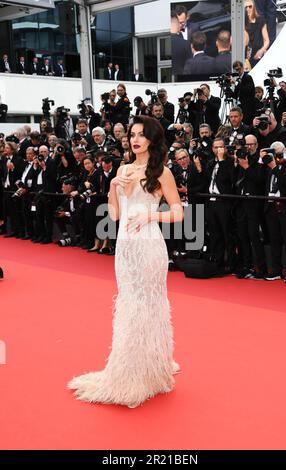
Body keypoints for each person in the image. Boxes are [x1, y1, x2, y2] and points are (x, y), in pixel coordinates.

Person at [68, 116, 184, 407]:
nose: (135, 139)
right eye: (132, 134)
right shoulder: (122, 169)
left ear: (152, 140)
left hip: (149, 244)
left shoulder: (163, 172)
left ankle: (150, 371)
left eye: (142, 135)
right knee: (129, 302)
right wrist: (112, 186)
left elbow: (179, 213)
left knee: (148, 304)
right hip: (125, 248)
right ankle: (131, 368)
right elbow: (115, 215)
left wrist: (151, 215)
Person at [244, 0, 270, 68]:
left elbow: (266, 40)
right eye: (246, 7)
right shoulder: (242, 23)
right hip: (247, 57)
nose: (248, 9)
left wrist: (261, 50)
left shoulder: (260, 20)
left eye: (250, 7)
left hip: (259, 54)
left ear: (254, 8)